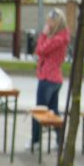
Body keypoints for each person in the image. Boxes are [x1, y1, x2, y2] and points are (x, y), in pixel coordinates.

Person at [28, 8, 70, 151]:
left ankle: (36, 141)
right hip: (54, 78)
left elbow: (40, 50)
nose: (47, 23)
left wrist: (43, 35)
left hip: (48, 78)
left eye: (50, 21)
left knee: (40, 110)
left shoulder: (57, 39)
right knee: (53, 111)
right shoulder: (60, 37)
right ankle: (60, 141)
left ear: (56, 23)